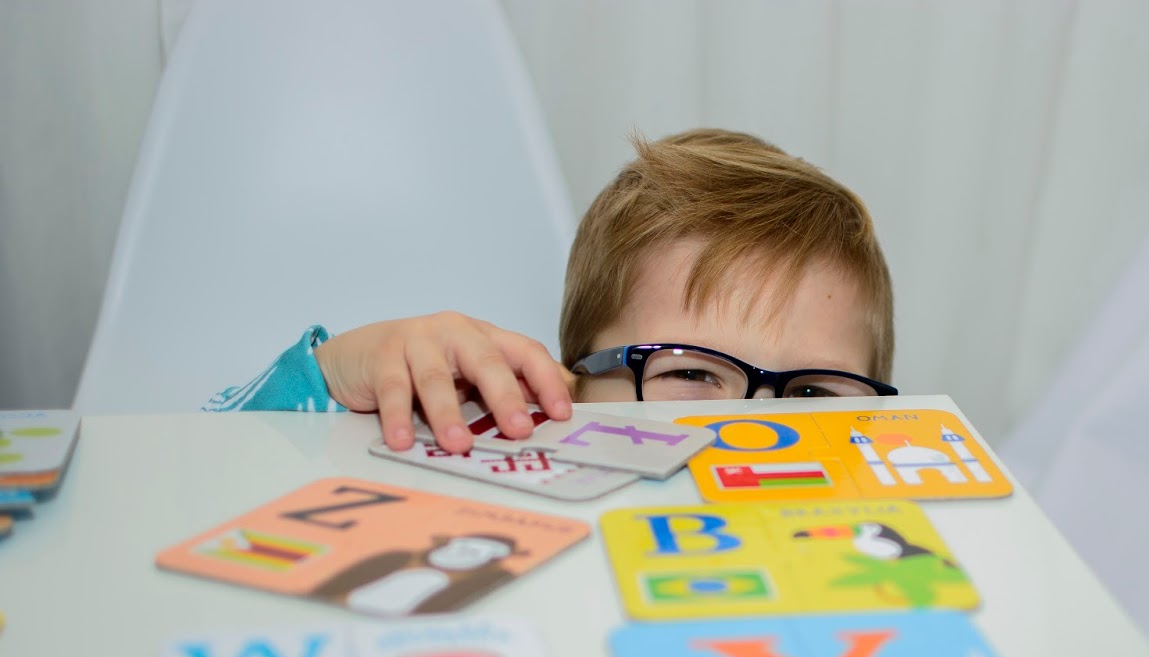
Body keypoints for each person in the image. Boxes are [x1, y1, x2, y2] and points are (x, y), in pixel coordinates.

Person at [204, 129, 897, 454]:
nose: (756, 431)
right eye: (690, 373)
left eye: (813, 394)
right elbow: (203, 475)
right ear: (573, 384)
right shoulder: (505, 440)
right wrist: (329, 375)